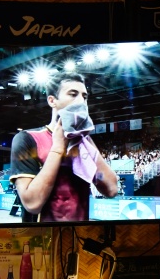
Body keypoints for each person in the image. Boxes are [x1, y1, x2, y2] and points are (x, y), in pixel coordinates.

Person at [9, 73, 118, 222]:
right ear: (52, 101)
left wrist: (86, 141)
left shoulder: (85, 142)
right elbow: (32, 204)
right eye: (73, 94)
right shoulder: (27, 139)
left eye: (84, 97)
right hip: (43, 238)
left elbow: (111, 189)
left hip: (79, 236)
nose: (81, 101)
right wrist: (58, 148)